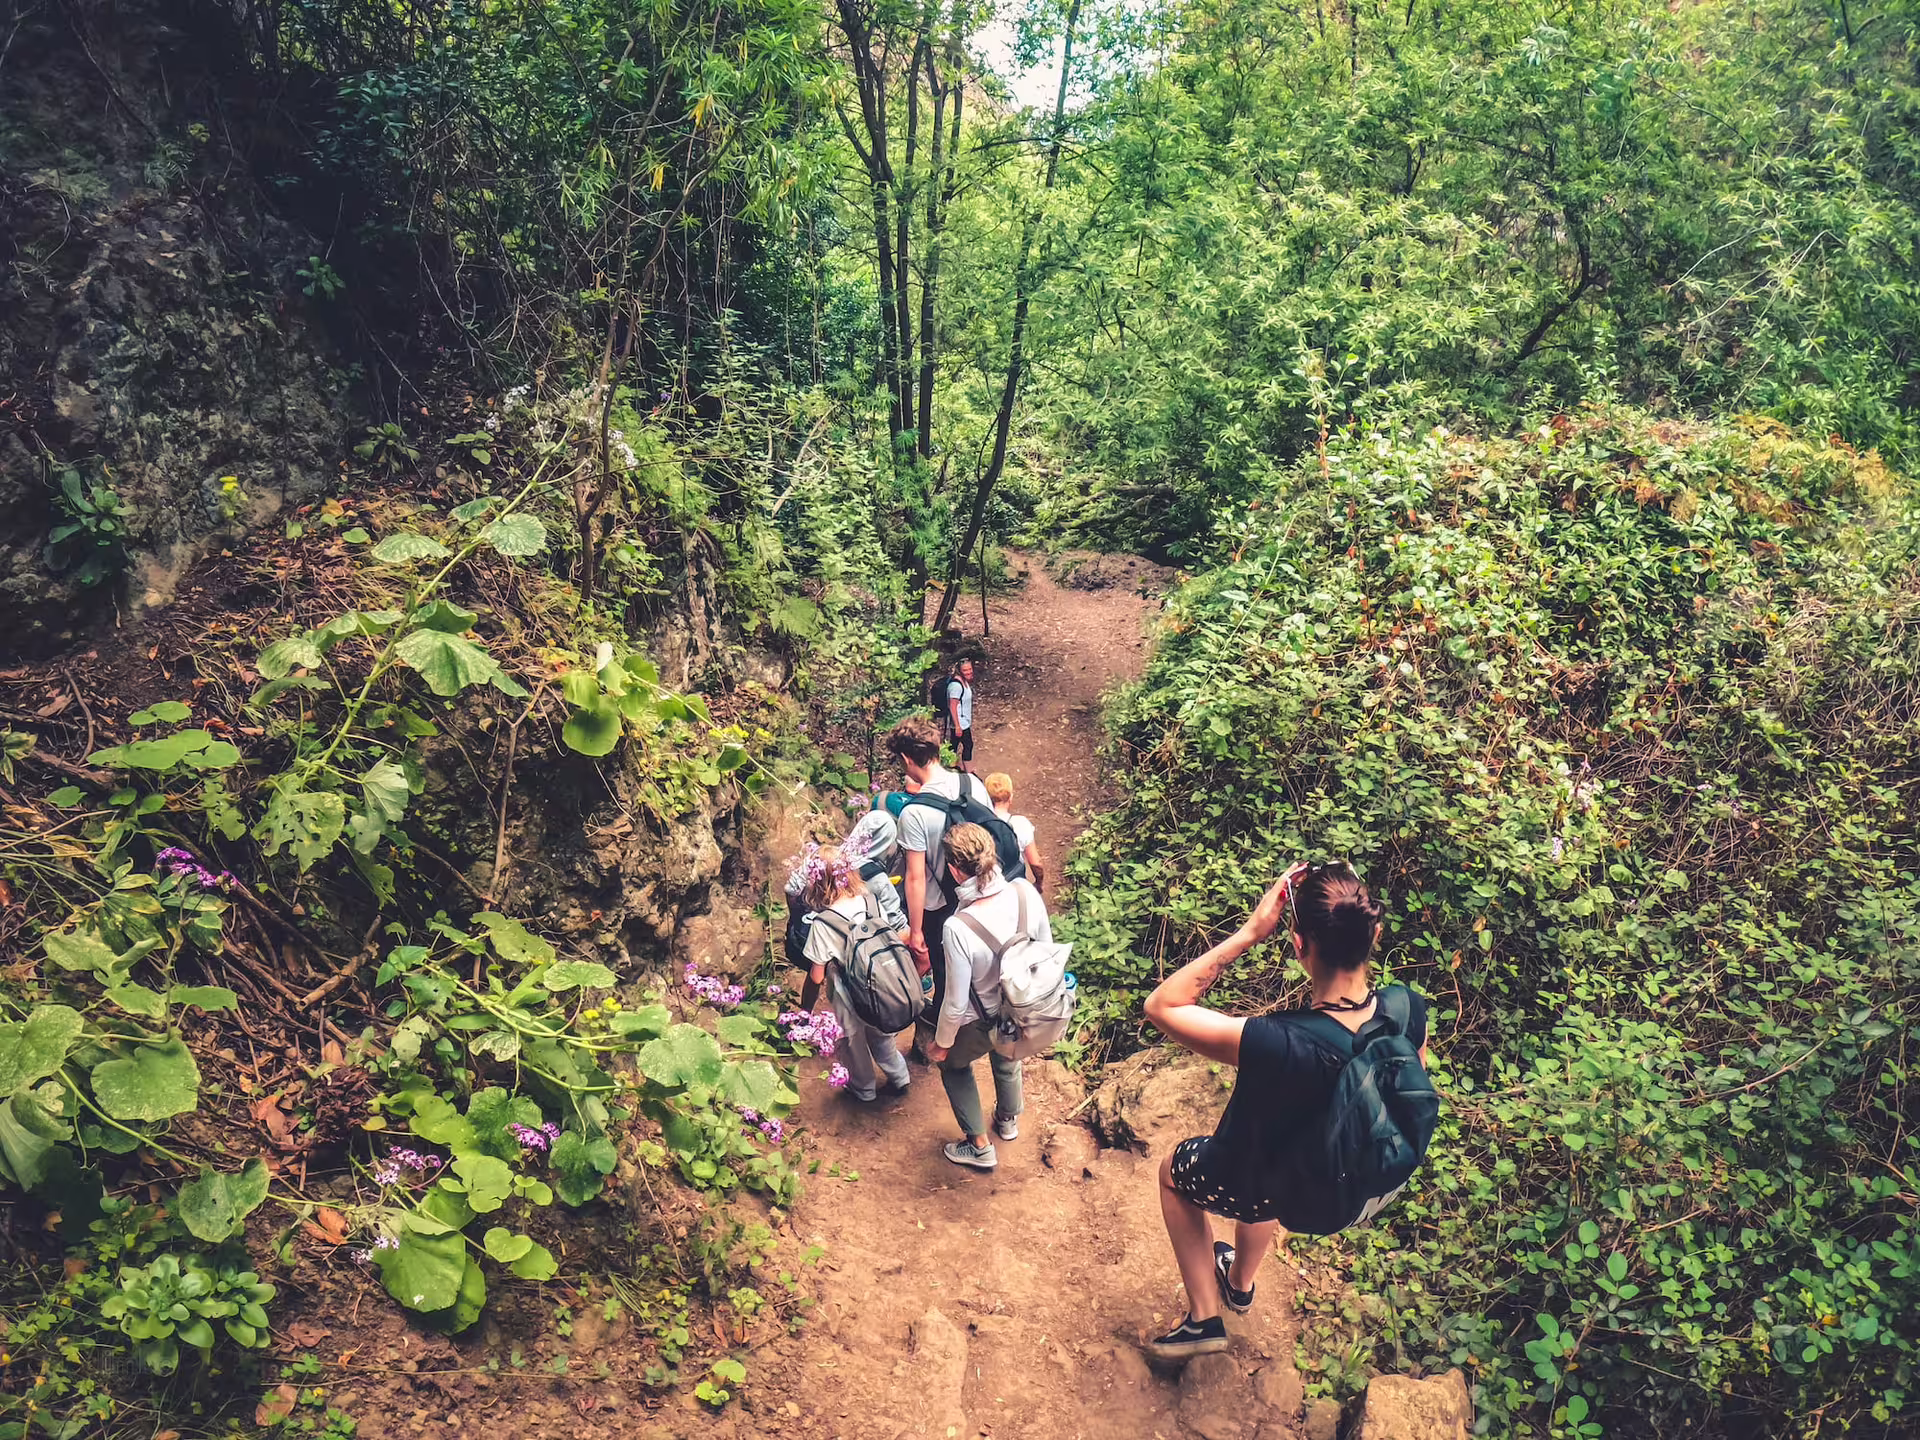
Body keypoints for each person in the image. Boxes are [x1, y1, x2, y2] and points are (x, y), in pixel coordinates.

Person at [1140, 862, 1432, 1360]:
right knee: (1273, 1163)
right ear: (1375, 935)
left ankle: (1205, 1319)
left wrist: (1250, 933)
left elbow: (1163, 1006)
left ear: (1299, 945)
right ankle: (1240, 1282)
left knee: (1173, 1173)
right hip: (1350, 1184)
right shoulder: (1406, 1008)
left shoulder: (1276, 1040)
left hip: (1277, 1183)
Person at [926, 823, 1045, 1169]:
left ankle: (979, 1146)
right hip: (1021, 1006)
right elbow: (1044, 951)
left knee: (952, 1065)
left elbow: (956, 1002)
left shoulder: (958, 927)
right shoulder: (1024, 891)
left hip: (982, 1019)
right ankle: (1007, 1120)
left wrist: (943, 1043)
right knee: (1008, 1056)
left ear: (953, 869)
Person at [883, 717, 995, 1051]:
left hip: (939, 910)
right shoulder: (973, 786)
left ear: (906, 759)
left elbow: (915, 877)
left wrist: (915, 933)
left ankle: (944, 1041)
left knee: (947, 975)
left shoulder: (913, 814)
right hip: (981, 897)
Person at [798, 844, 912, 1104]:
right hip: (880, 984)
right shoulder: (870, 900)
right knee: (883, 1037)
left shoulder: (824, 922)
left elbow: (816, 976)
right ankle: (900, 1076)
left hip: (847, 992)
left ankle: (864, 1088)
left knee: (853, 1041)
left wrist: (805, 1010)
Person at [983, 772, 1045, 895]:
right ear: (1010, 798)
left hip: (987, 886)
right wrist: (1039, 883)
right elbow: (1035, 863)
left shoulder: (977, 823)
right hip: (1014, 883)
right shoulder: (1020, 824)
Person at [945, 659, 976, 774]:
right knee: (967, 745)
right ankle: (967, 770)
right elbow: (952, 705)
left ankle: (954, 766)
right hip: (960, 723)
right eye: (965, 670)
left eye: (970, 669)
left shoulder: (964, 682)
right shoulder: (956, 686)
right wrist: (957, 725)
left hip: (964, 722)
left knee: (954, 745)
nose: (968, 672)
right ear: (960, 670)